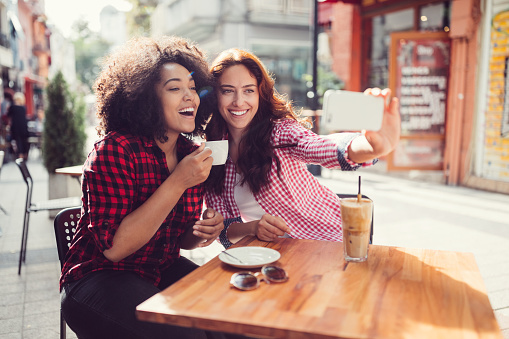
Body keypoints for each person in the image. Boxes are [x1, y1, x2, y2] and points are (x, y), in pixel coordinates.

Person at [60, 36, 241, 339]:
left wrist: (200, 232)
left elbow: (181, 239)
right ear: (144, 98)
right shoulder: (115, 150)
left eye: (193, 88)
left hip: (156, 270)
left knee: (229, 317)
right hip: (97, 279)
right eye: (174, 88)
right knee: (187, 335)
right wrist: (178, 181)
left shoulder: (188, 153)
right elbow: (115, 249)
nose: (190, 98)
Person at [204, 49, 400, 248]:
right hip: (277, 254)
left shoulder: (279, 132)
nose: (238, 101)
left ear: (260, 94)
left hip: (331, 242)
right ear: (215, 96)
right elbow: (223, 229)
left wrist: (370, 146)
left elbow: (321, 147)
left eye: (248, 90)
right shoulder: (213, 152)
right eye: (228, 90)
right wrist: (252, 228)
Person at [7, 92, 29, 160]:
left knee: (18, 140)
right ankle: (24, 154)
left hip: (16, 126)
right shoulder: (24, 107)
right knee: (23, 140)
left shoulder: (12, 107)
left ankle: (20, 154)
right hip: (23, 125)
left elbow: (8, 115)